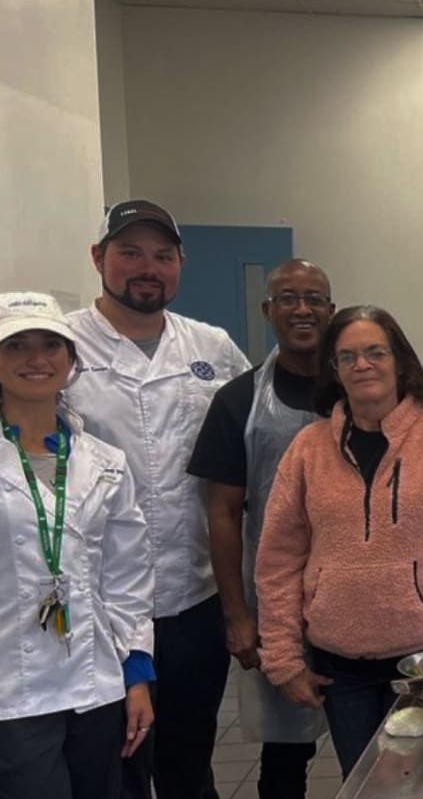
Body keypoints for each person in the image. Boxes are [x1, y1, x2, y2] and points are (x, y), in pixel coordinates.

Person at [255, 305, 423, 779]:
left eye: (375, 352)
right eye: (347, 357)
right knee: (366, 784)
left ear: (401, 363)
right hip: (340, 669)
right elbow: (278, 559)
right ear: (335, 371)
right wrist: (283, 660)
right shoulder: (307, 450)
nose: (362, 365)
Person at [65, 200, 250, 799]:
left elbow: (256, 437)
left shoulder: (212, 347)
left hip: (193, 593)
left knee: (189, 759)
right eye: (130, 253)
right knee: (114, 763)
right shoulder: (58, 346)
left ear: (180, 264)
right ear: (99, 258)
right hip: (96, 603)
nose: (148, 267)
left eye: (162, 256)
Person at [0, 293, 156, 799]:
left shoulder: (103, 462)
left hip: (96, 684)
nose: (36, 359)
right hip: (12, 692)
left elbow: (127, 577)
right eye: (16, 345)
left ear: (71, 361)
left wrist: (136, 673)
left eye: (51, 345)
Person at [187, 261, 333, 799]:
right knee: (286, 752)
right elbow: (222, 513)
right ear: (268, 311)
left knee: (379, 738)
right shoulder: (238, 401)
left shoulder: (362, 390)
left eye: (314, 298)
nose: (302, 309)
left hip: (362, 596)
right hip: (277, 598)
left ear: (331, 312)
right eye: (288, 298)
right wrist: (237, 615)